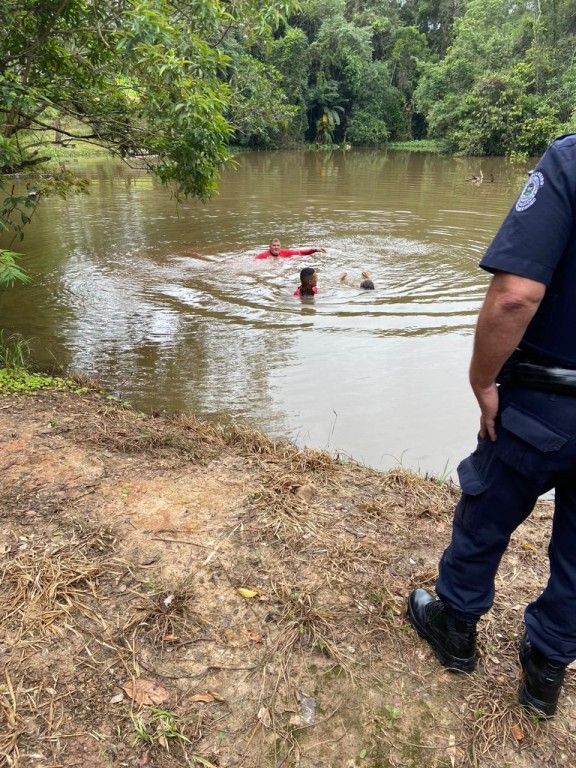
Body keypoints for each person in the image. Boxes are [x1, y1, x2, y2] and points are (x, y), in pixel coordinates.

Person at [406, 134, 576, 719]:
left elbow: (513, 296)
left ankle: (455, 629)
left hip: (544, 403)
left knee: (488, 511)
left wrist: (484, 381)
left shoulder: (570, 162)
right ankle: (545, 672)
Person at [255, 238, 326, 260]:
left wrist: (314, 250)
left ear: (280, 246)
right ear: (269, 247)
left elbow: (301, 252)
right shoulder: (262, 256)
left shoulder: (285, 252)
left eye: (278, 245)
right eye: (274, 245)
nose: (276, 247)